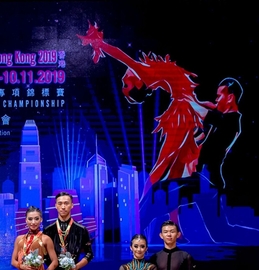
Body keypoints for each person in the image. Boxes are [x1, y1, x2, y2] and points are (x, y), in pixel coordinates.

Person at [78, 23, 207, 200]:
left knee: (169, 162)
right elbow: (121, 56)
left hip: (187, 106)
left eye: (123, 85)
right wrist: (101, 44)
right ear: (138, 84)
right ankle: (145, 200)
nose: (123, 80)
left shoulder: (148, 73)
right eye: (126, 85)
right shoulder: (145, 74)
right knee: (164, 162)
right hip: (183, 110)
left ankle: (154, 200)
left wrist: (98, 44)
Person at [194, 78, 243, 189]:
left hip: (210, 181)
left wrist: (189, 101)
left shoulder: (230, 121)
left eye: (219, 96)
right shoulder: (224, 119)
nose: (216, 100)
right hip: (205, 177)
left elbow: (203, 112)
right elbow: (209, 107)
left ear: (230, 98)